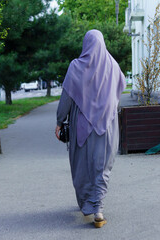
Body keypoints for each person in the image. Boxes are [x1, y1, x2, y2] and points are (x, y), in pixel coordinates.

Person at [55, 29, 126, 228]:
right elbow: (120, 89)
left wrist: (60, 122)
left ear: (85, 44)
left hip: (82, 127)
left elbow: (66, 98)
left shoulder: (76, 66)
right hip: (107, 126)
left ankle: (88, 204)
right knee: (101, 166)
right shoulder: (113, 65)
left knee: (82, 165)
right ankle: (98, 209)